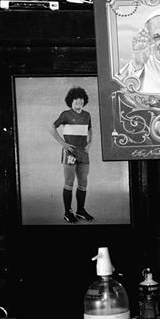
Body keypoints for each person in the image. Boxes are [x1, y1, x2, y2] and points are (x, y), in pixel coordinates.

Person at [51, 86, 93, 223]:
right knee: (69, 182)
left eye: (81, 99)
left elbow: (90, 129)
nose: (79, 102)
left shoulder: (87, 115)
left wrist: (90, 142)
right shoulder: (65, 114)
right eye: (76, 99)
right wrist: (63, 144)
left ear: (84, 101)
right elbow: (51, 127)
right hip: (70, 152)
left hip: (83, 152)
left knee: (83, 182)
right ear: (71, 101)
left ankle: (80, 211)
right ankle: (67, 212)